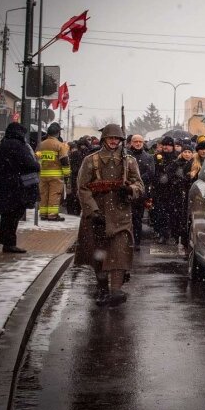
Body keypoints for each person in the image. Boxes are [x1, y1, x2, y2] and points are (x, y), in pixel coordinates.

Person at [75, 124, 144, 306]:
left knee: (120, 251)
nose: (114, 142)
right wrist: (93, 211)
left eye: (117, 139)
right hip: (99, 213)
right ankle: (102, 287)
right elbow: (82, 188)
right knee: (99, 254)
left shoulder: (129, 161)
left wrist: (129, 189)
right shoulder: (91, 161)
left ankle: (116, 290)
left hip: (121, 214)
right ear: (104, 139)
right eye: (110, 138)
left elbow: (139, 185)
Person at [0, 123, 40, 253]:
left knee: (7, 215)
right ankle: (9, 244)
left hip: (7, 183)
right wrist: (37, 165)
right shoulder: (17, 145)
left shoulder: (4, 143)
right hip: (17, 185)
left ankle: (7, 242)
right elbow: (29, 163)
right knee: (13, 214)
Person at [37, 122, 70, 221]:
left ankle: (43, 214)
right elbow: (64, 161)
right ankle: (52, 215)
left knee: (44, 194)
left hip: (43, 175)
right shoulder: (59, 145)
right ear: (58, 133)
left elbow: (38, 159)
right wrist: (67, 174)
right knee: (54, 194)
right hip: (56, 175)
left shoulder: (41, 145)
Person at [129, 134, 155, 250]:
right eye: (136, 141)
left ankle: (137, 242)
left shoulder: (148, 157)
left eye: (140, 141)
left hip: (140, 191)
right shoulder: (126, 155)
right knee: (126, 218)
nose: (138, 143)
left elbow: (151, 173)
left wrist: (138, 180)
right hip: (127, 190)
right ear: (131, 143)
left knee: (137, 218)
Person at [153, 136, 178, 244]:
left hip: (173, 190)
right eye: (164, 145)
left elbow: (178, 172)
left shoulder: (176, 158)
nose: (166, 147)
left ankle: (173, 234)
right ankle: (163, 234)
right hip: (161, 190)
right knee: (161, 214)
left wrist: (172, 178)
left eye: (168, 145)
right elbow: (153, 171)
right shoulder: (157, 157)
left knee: (173, 214)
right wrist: (159, 177)